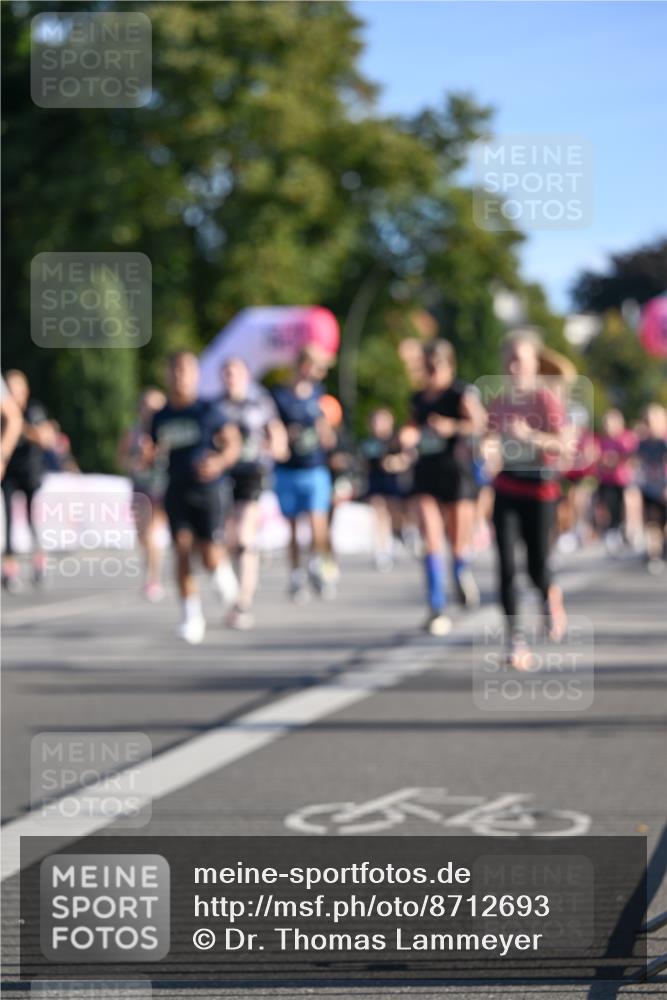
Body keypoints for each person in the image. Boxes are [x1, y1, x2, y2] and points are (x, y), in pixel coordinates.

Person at [486, 328, 571, 669]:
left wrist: (531, 436)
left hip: (540, 490)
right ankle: (515, 641)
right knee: (506, 567)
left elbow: (564, 445)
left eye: (519, 360)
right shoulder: (499, 402)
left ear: (534, 364)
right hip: (506, 487)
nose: (513, 367)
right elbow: (490, 440)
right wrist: (486, 449)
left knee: (537, 568)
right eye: (508, 360)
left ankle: (550, 593)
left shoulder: (546, 399)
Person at [150, 351, 241, 644]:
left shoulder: (207, 410)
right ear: (167, 375)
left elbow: (233, 444)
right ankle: (191, 615)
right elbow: (149, 449)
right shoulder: (160, 416)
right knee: (182, 549)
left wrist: (219, 462)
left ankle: (222, 574)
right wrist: (143, 455)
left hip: (209, 491)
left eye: (185, 371)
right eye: (174, 370)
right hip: (176, 489)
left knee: (210, 554)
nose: (179, 376)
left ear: (196, 375)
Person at [401, 340, 486, 635]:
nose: (431, 372)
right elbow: (411, 426)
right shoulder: (418, 399)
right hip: (427, 471)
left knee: (458, 542)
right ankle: (436, 606)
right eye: (427, 366)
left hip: (457, 472)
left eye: (436, 366)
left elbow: (479, 424)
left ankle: (461, 572)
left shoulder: (461, 393)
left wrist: (452, 427)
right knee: (431, 538)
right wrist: (407, 437)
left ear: (448, 365)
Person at [217, 357, 288, 629]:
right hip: (225, 475)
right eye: (226, 373)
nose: (230, 377)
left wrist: (278, 446)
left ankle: (242, 602)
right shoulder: (217, 406)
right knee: (229, 538)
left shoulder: (259, 402)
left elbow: (275, 429)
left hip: (253, 473)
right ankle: (238, 583)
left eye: (234, 373)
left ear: (245, 375)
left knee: (244, 534)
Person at [271, 346, 337, 603]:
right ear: (301, 365)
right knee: (292, 528)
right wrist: (284, 437)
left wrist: (327, 434)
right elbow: (272, 426)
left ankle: (316, 565)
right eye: (314, 366)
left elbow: (326, 433)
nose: (317, 372)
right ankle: (296, 574)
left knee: (318, 523)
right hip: (288, 469)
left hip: (315, 468)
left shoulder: (319, 396)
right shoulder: (279, 396)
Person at [117, 388, 169, 602]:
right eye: (146, 406)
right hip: (140, 487)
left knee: (153, 532)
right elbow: (120, 459)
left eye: (155, 407)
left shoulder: (168, 429)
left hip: (163, 486)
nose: (150, 411)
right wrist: (136, 463)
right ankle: (151, 571)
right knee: (142, 535)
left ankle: (153, 578)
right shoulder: (134, 431)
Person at [1, 370, 49, 591]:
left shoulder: (34, 410)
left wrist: (23, 428)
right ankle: (9, 570)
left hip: (29, 470)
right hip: (9, 470)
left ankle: (39, 562)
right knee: (8, 520)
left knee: (32, 519)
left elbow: (46, 438)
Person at [360, 408, 411, 572]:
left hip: (394, 483)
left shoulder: (396, 441)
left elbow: (408, 458)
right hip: (376, 484)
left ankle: (398, 535)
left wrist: (395, 462)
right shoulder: (368, 443)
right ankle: (382, 550)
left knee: (396, 512)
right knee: (379, 511)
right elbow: (363, 464)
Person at [593, 409, 638, 552]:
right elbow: (596, 457)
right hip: (607, 480)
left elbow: (630, 457)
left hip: (623, 480)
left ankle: (630, 530)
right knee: (608, 506)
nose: (608, 426)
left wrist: (614, 459)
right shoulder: (601, 440)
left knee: (628, 501)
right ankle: (612, 531)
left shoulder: (627, 437)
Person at [636, 403, 667, 574]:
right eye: (648, 421)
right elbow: (638, 463)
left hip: (664, 488)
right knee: (652, 523)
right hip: (650, 489)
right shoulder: (643, 444)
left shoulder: (664, 442)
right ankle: (653, 555)